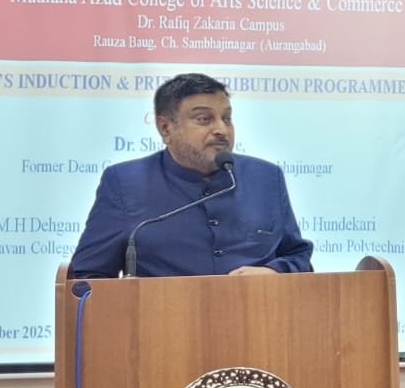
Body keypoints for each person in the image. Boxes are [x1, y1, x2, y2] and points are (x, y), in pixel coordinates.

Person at [68, 73, 312, 278]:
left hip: (258, 316)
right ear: (165, 128)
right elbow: (88, 276)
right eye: (204, 119)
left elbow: (298, 258)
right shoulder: (125, 183)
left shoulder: (266, 177)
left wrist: (274, 272)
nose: (221, 129)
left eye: (227, 118)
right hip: (161, 319)